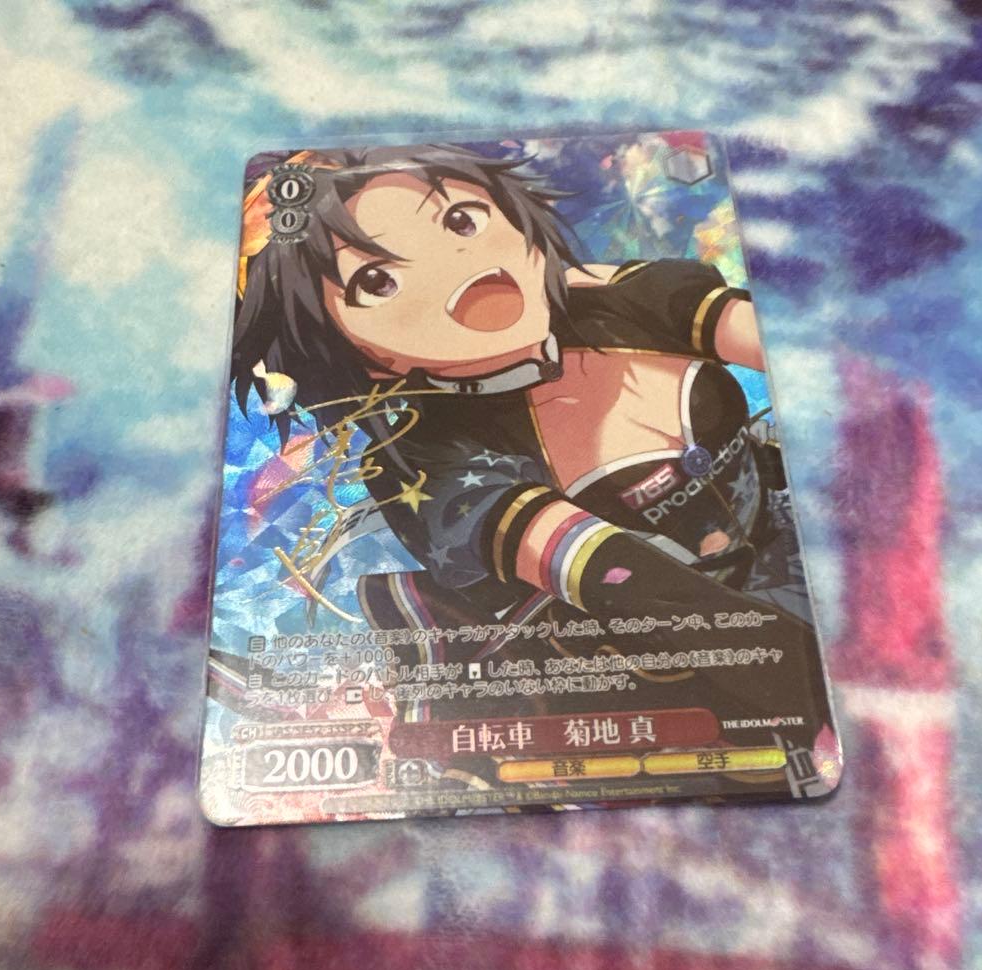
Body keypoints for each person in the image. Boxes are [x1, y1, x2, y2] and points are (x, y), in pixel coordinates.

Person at [232, 144, 829, 730]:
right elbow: (634, 587)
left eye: (461, 221)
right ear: (356, 358)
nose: (458, 267)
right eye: (377, 281)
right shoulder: (428, 459)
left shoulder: (613, 298)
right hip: (657, 660)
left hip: (790, 548)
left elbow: (805, 357)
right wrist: (805, 681)